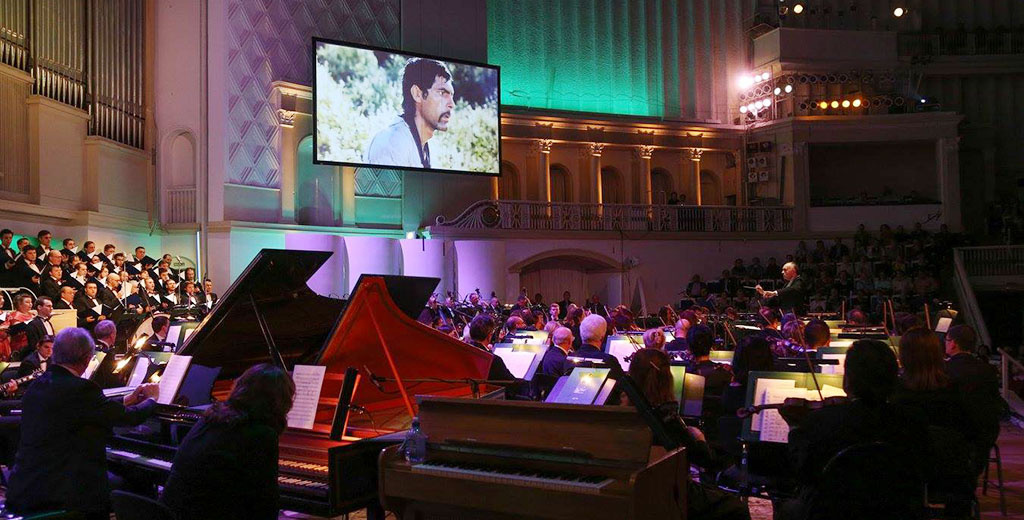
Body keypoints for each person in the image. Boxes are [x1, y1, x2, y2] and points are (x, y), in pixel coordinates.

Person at [5, 328, 159, 519]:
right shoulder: (81, 389)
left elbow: (91, 408)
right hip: (62, 492)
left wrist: (127, 399)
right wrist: (152, 400)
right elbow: (128, 418)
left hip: (26, 485)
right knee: (138, 483)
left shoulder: (38, 385)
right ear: (87, 359)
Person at [782, 340, 929, 520]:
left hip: (835, 512)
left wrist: (795, 428)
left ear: (848, 381)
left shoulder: (823, 421)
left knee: (789, 508)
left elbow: (805, 472)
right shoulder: (913, 422)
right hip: (898, 511)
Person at [626, 348, 750, 520]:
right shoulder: (666, 418)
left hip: (631, 485)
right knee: (736, 507)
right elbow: (705, 461)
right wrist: (699, 439)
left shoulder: (621, 412)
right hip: (668, 493)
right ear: (667, 379)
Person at [160, 364, 292, 520]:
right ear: (279, 401)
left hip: (171, 512)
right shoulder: (261, 433)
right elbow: (266, 502)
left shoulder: (210, 417)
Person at [365, 58, 454, 169]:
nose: (451, 104)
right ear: (417, 94)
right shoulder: (391, 143)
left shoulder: (429, 148)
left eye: (451, 95)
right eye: (441, 93)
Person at [944, 324, 1002, 475]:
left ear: (953, 343)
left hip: (956, 435)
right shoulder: (988, 370)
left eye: (946, 340)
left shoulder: (945, 369)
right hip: (984, 436)